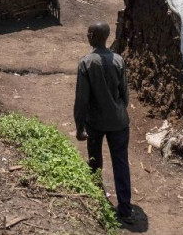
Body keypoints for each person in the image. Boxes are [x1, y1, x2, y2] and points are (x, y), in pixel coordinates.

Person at [74, 21, 132, 222]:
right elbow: (125, 95)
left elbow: (81, 100)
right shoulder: (118, 60)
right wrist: (116, 110)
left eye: (89, 32)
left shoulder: (86, 63)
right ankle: (125, 209)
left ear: (92, 36)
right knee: (121, 163)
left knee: (95, 162)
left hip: (95, 122)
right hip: (119, 122)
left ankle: (97, 203)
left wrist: (79, 127)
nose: (87, 35)